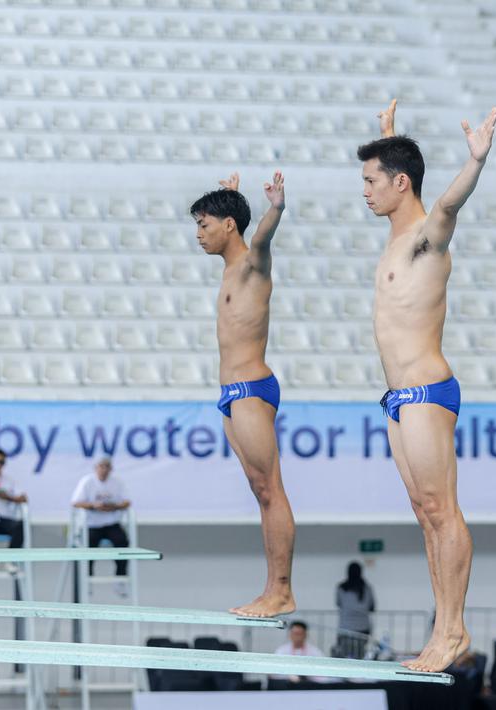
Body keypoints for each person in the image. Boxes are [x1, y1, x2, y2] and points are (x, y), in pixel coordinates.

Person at [361, 99, 496, 671]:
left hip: (426, 392)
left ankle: (454, 630)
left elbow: (445, 203)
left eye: (371, 181)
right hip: (397, 399)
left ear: (399, 183)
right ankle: (441, 627)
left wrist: (476, 162)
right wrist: (390, 136)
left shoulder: (425, 237)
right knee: (424, 511)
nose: (364, 191)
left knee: (443, 510)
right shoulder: (397, 240)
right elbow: (408, 180)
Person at [193, 171, 295, 619]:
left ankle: (281, 591)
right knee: (260, 491)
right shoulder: (230, 271)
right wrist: (231, 197)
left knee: (271, 490)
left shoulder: (252, 264)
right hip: (231, 394)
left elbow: (262, 243)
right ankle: (272, 588)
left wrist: (274, 209)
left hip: (252, 389)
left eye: (205, 224)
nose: (199, 234)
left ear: (229, 225)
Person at [70, 457, 131, 579]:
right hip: (92, 524)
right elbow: (75, 502)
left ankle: (121, 576)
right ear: (95, 468)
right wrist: (93, 506)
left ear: (111, 469)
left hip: (111, 523)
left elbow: (127, 502)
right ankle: (88, 577)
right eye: (101, 467)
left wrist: (113, 506)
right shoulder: (87, 481)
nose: (104, 470)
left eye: (107, 467)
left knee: (122, 541)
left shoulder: (117, 482)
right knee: (89, 547)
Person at [336, 562, 376, 659]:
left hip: (345, 627)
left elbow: (338, 603)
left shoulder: (341, 588)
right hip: (363, 627)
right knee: (360, 655)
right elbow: (372, 607)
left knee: (345, 656)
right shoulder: (367, 588)